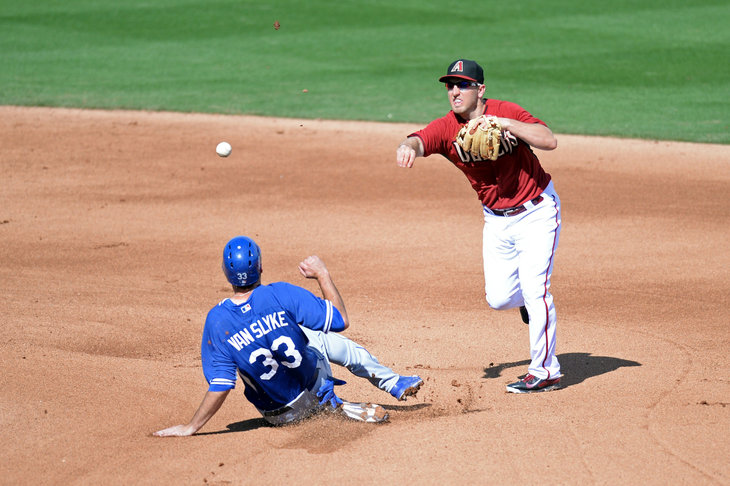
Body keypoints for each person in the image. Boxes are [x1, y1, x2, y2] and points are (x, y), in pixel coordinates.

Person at [395, 59, 562, 394]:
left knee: (535, 288)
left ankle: (545, 371)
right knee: (499, 299)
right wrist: (406, 146)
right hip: (495, 220)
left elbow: (548, 139)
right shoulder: (447, 128)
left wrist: (503, 124)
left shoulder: (505, 110)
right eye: (450, 86)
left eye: (463, 85)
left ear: (480, 90)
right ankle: (528, 307)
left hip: (536, 212)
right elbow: (418, 140)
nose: (455, 91)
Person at [154, 236, 423, 436]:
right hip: (314, 388)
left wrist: (191, 427)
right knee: (326, 339)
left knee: (279, 341)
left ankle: (331, 406)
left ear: (227, 274)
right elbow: (341, 319)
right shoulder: (279, 294)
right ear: (260, 268)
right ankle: (390, 384)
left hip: (277, 416)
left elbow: (222, 385)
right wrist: (322, 274)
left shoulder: (217, 321)